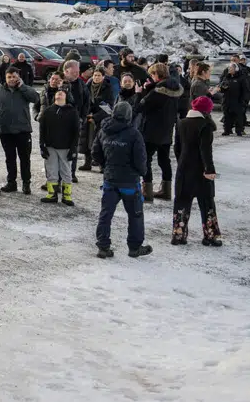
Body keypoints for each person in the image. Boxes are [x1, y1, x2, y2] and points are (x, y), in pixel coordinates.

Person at [92, 99, 151, 258]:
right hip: (129, 182)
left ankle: (103, 246)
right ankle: (134, 247)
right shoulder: (134, 134)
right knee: (135, 215)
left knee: (106, 213)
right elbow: (141, 159)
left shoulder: (104, 130)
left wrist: (105, 167)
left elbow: (95, 152)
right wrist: (141, 172)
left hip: (110, 180)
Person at [172, 96, 221, 246]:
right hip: (201, 170)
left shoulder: (181, 123)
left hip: (184, 168)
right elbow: (205, 150)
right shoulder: (205, 125)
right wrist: (209, 169)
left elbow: (177, 147)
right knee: (207, 202)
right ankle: (211, 235)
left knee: (182, 201)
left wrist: (182, 161)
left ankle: (178, 235)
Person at [137, 62, 185, 203]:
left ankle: (147, 191)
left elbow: (142, 107)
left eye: (152, 74)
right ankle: (166, 190)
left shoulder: (157, 92)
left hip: (152, 130)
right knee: (164, 160)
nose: (151, 77)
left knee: (146, 160)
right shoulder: (175, 88)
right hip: (167, 129)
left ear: (157, 74)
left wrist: (141, 93)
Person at [0, 69, 41, 194]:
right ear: (5, 77)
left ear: (18, 77)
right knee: (10, 158)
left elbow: (36, 99)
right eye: (9, 77)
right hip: (5, 130)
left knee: (25, 158)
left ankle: (26, 183)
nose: (12, 79)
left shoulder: (25, 90)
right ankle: (11, 182)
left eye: (14, 77)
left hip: (23, 130)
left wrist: (23, 87)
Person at [38, 87, 81, 207]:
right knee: (51, 171)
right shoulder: (48, 111)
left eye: (62, 93)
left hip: (65, 147)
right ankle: (52, 194)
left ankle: (66, 195)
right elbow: (42, 129)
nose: (60, 94)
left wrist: (73, 147)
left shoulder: (72, 111)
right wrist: (42, 145)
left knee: (66, 171)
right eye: (58, 93)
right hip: (50, 146)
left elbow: (76, 131)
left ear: (66, 97)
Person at [218, 63, 250, 136]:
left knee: (238, 116)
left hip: (237, 100)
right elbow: (221, 87)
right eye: (229, 68)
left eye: (231, 68)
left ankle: (239, 130)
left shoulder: (241, 78)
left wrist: (244, 100)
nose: (229, 70)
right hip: (227, 100)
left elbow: (245, 90)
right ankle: (227, 130)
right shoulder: (226, 77)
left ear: (236, 69)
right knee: (226, 116)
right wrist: (222, 88)